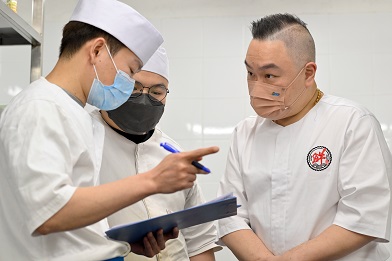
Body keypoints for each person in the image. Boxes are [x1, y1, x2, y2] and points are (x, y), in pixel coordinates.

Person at [0, 0, 218, 260]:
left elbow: (69, 214)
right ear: (97, 51)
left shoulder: (67, 111)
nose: (128, 87)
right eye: (130, 71)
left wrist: (118, 244)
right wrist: (152, 180)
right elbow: (48, 212)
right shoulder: (41, 108)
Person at [217, 13, 392, 261]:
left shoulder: (352, 123)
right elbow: (229, 215)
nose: (256, 88)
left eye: (269, 76)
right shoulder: (244, 133)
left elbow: (364, 217)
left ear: (308, 73)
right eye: (250, 74)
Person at [89, 46, 221, 261]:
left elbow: (199, 241)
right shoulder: (82, 139)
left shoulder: (173, 153)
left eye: (156, 92)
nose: (144, 98)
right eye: (134, 88)